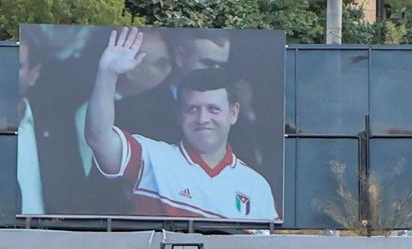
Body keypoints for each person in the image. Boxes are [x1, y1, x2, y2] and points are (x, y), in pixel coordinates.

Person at [78, 27, 276, 220]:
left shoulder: (257, 187)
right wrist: (107, 74)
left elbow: (266, 241)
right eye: (193, 109)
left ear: (233, 113)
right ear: (179, 113)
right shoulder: (153, 157)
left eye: (213, 109)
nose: (203, 119)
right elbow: (99, 139)